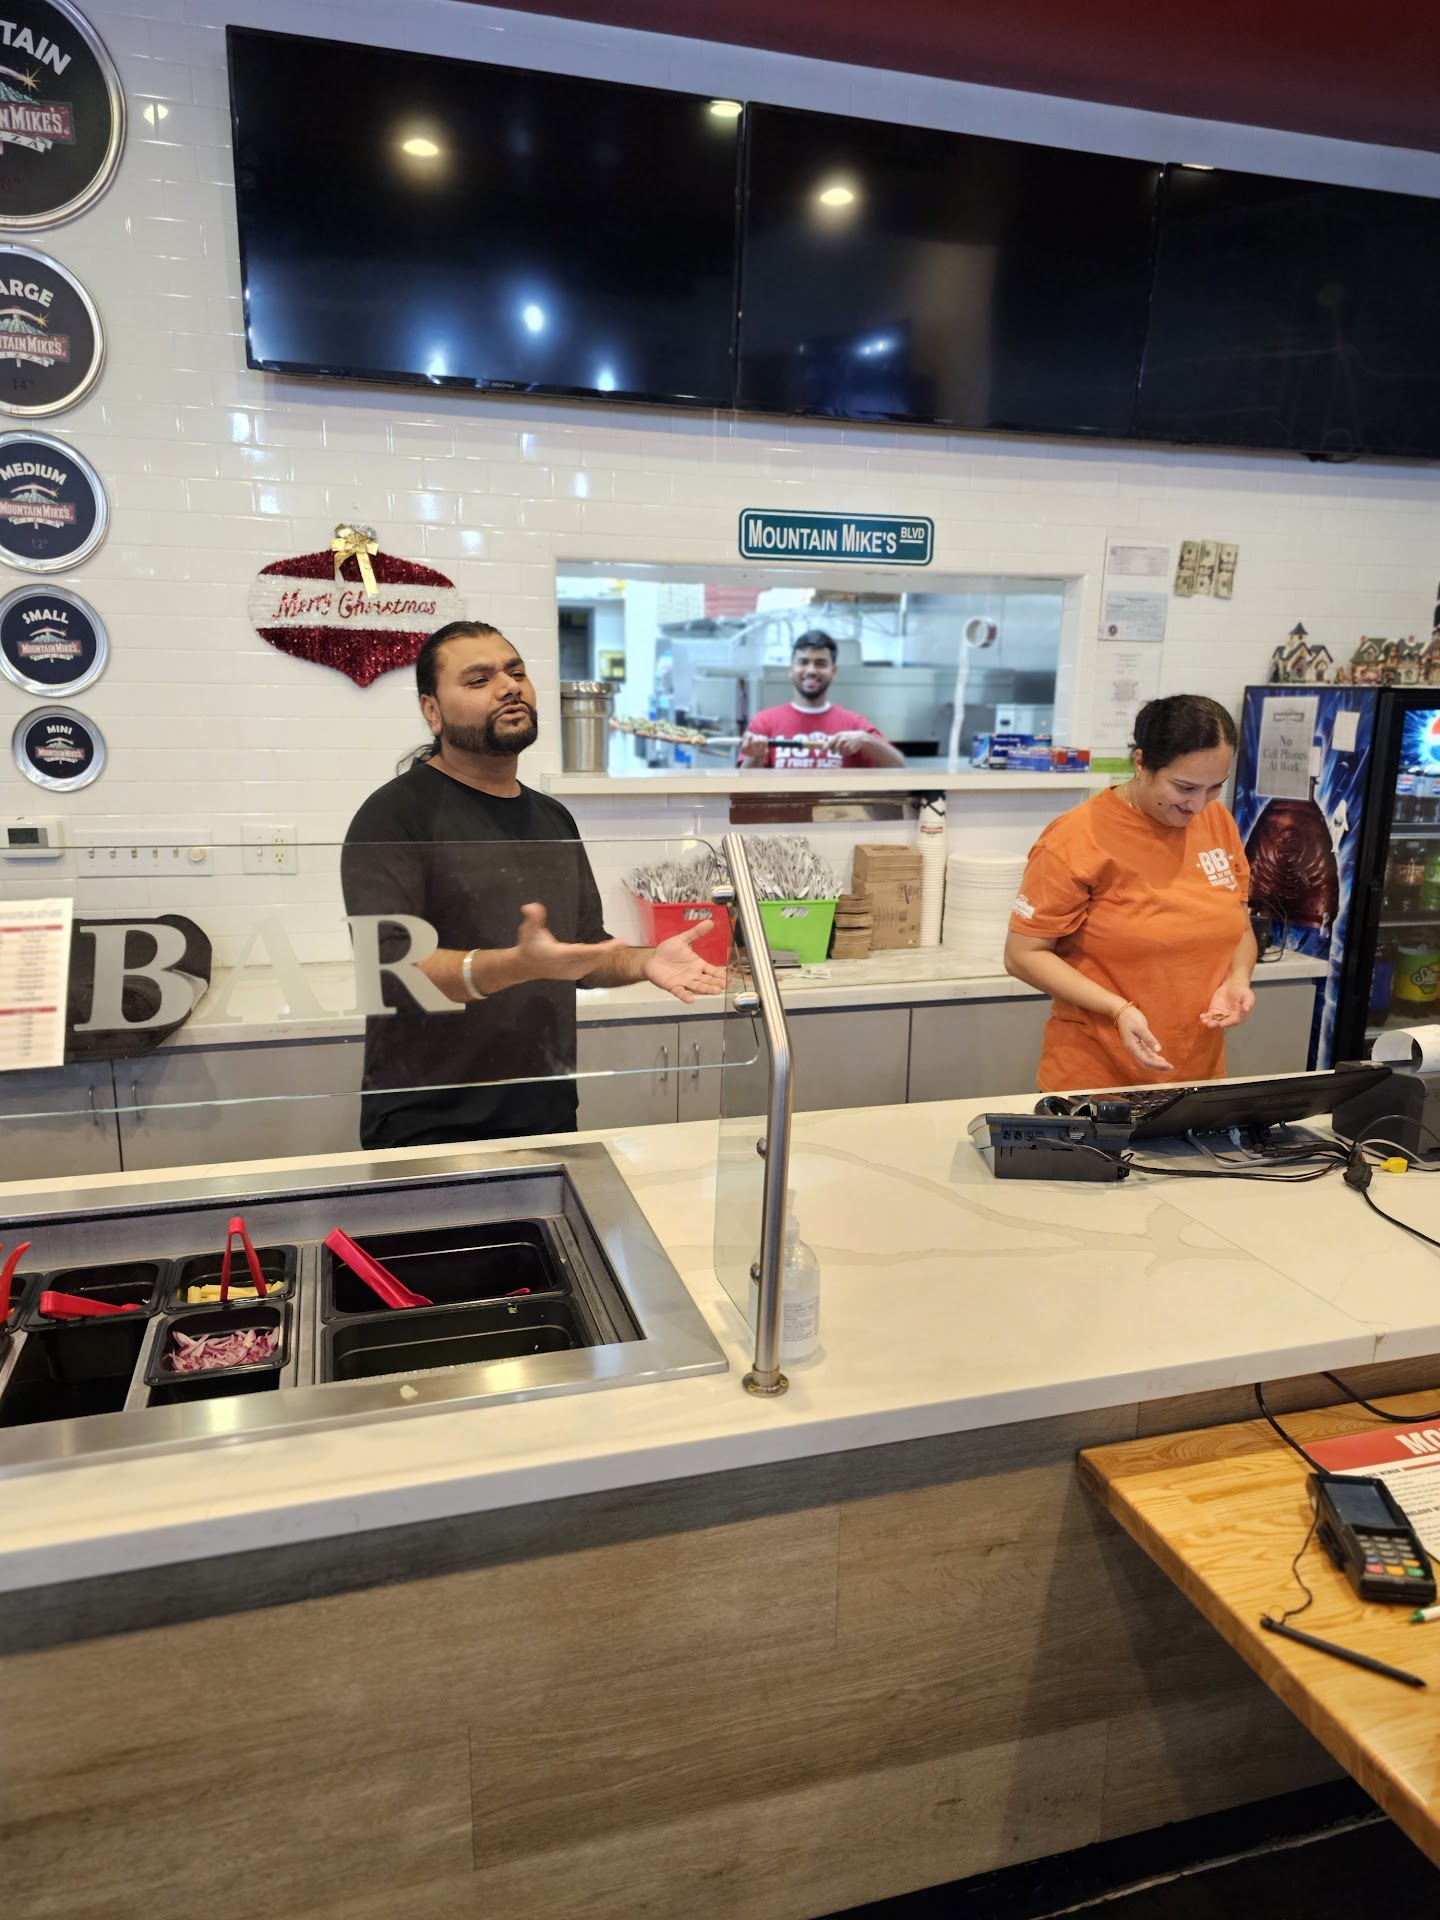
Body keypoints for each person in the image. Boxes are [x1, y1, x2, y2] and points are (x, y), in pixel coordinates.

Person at [341, 620, 724, 1149]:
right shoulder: (393, 815)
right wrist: (518, 965)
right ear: (432, 711)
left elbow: (582, 951)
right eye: (479, 680)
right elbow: (391, 972)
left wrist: (645, 960)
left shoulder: (552, 818)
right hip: (427, 1125)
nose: (508, 686)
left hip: (547, 1115)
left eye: (516, 672)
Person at [1003, 693, 1255, 1092]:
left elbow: (1239, 925)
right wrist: (1117, 1009)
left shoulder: (1218, 822)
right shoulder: (1075, 839)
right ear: (1141, 763)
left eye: (1214, 788)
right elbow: (1022, 955)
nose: (1198, 805)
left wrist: (1238, 979)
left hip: (1196, 1079)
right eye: (1185, 787)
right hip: (1095, 1082)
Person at [739, 631, 906, 770]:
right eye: (803, 662)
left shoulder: (854, 724)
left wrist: (865, 740)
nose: (811, 670)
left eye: (821, 664)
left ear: (834, 670)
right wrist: (755, 756)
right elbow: (744, 786)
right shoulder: (764, 722)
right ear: (791, 669)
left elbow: (899, 768)